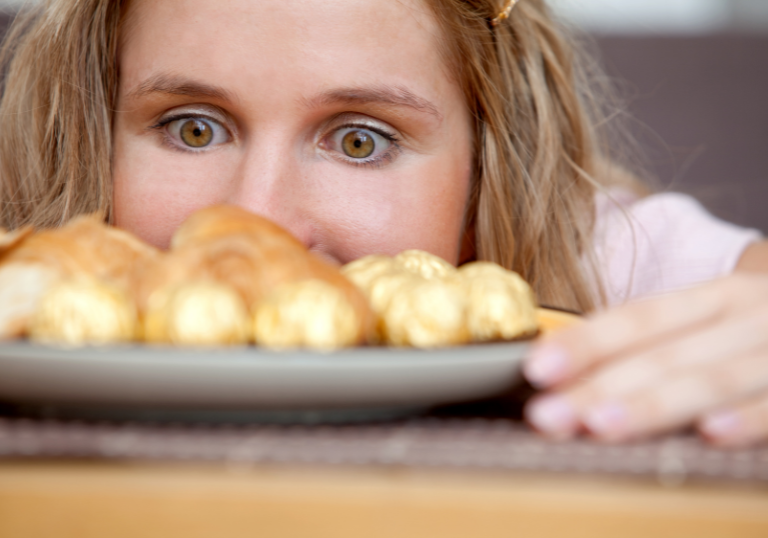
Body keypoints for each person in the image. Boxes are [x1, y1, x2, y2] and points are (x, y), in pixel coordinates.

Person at [0, 0, 766, 446]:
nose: (254, 218)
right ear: (90, 132)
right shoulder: (28, 275)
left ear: (491, 166)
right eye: (192, 128)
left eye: (360, 140)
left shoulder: (598, 257)